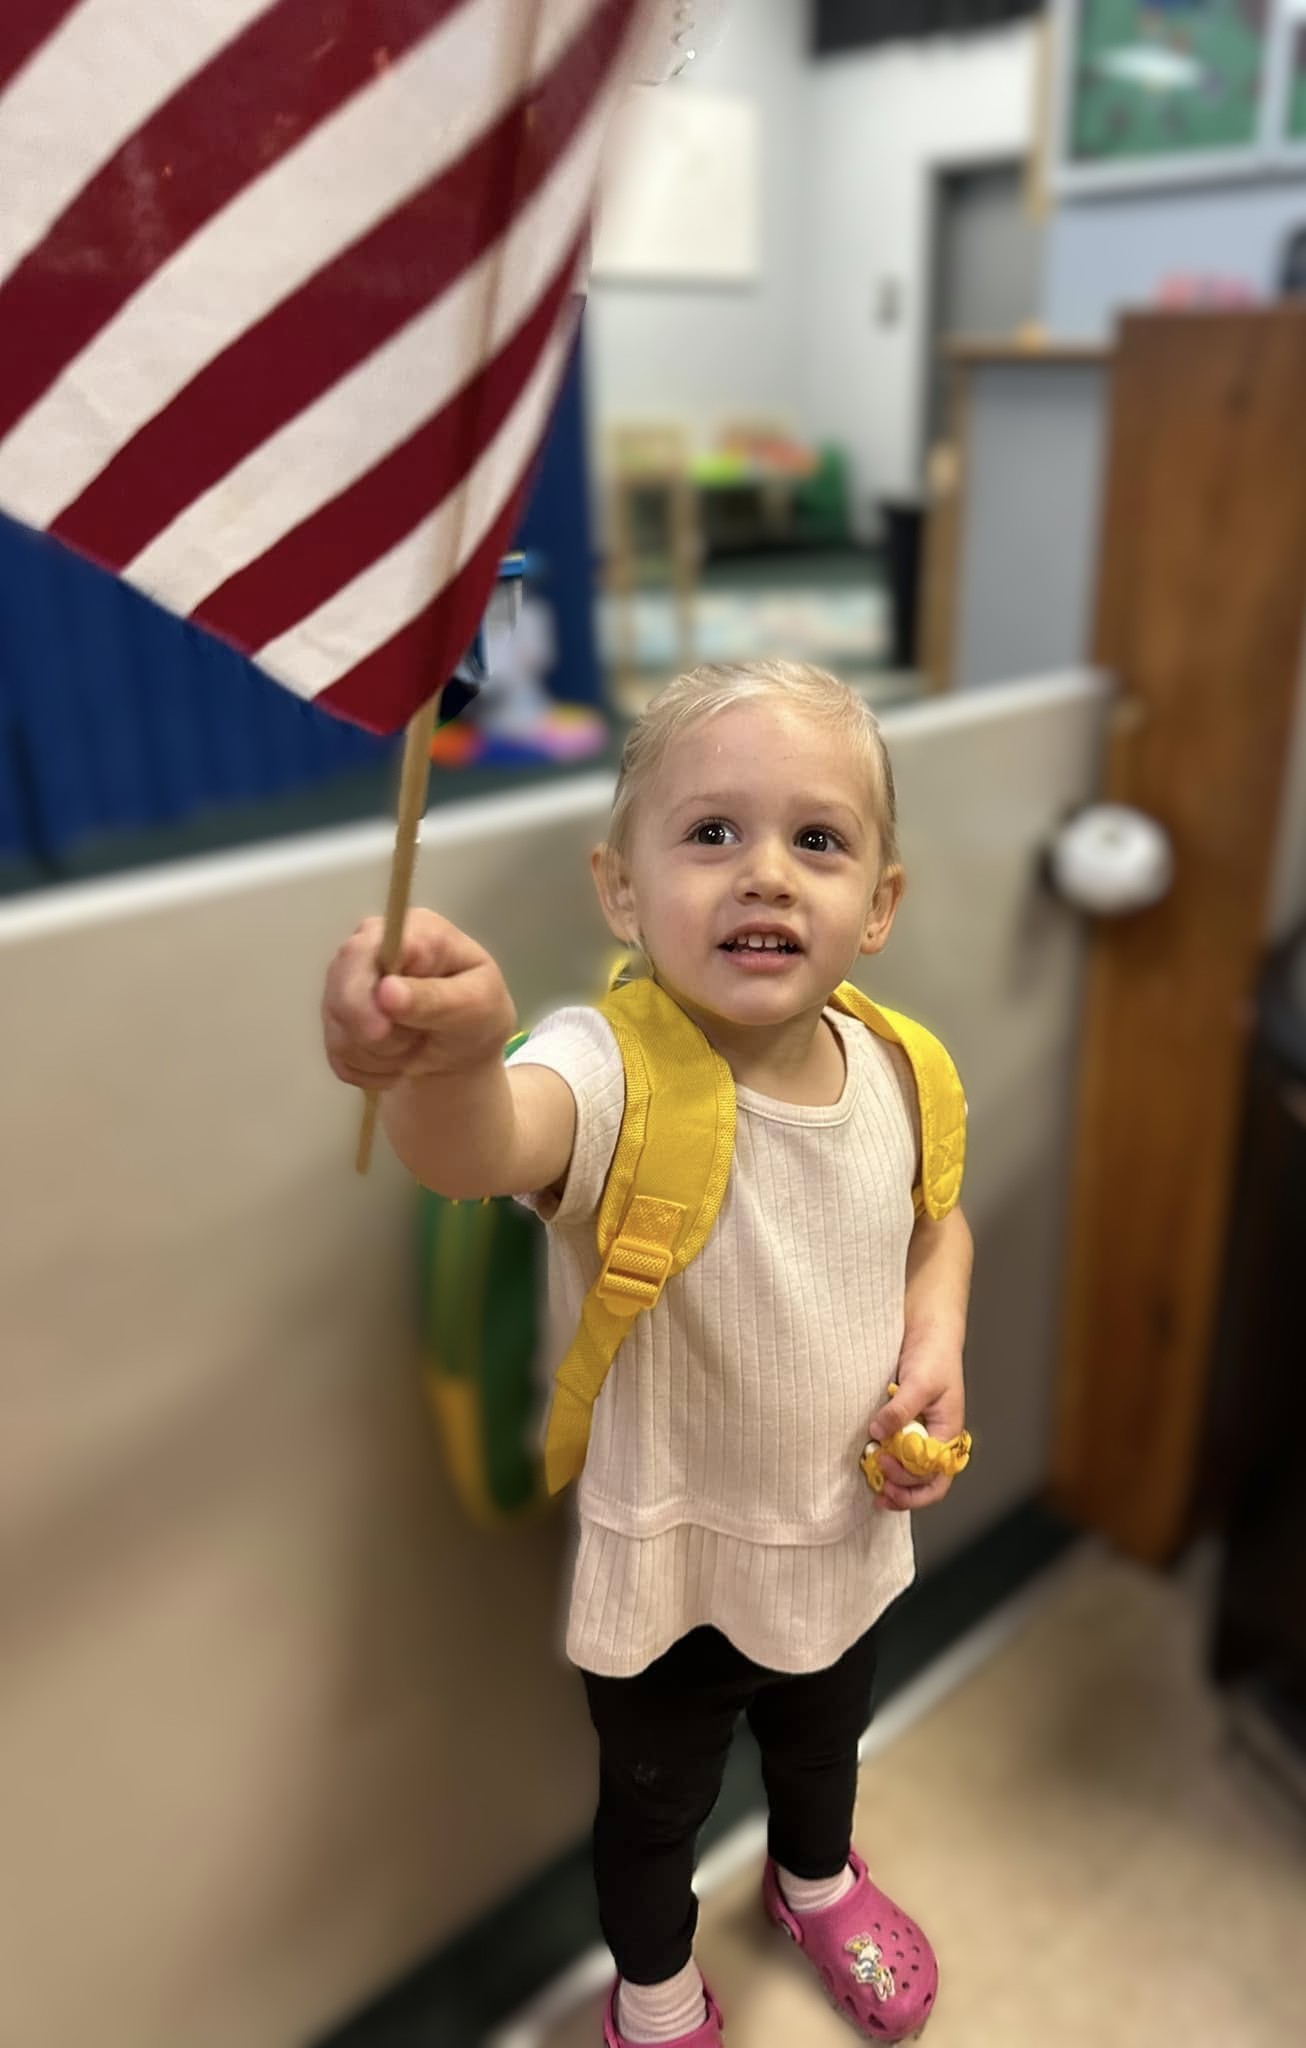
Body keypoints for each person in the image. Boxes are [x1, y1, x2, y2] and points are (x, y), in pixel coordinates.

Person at [322, 661, 973, 2046]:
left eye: (817, 839)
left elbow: (937, 1225)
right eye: (711, 832)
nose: (766, 874)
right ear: (622, 890)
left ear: (878, 904)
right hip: (675, 1574)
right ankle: (655, 1990)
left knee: (822, 1747)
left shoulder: (901, 1069)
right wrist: (447, 1063)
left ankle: (813, 1879)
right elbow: (487, 1144)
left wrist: (939, 1337)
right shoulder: (610, 1070)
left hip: (847, 1536)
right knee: (655, 1808)